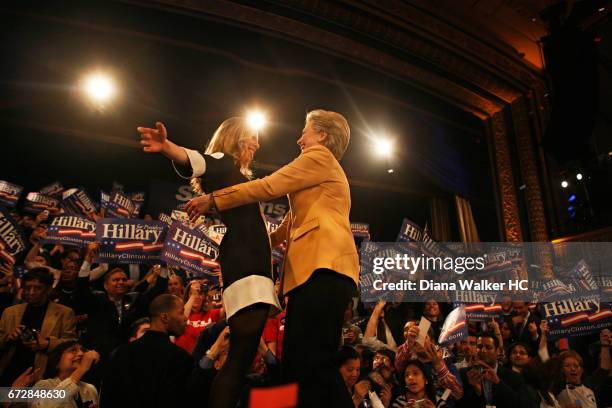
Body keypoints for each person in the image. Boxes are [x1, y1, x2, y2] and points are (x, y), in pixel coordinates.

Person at [183, 109, 360, 407]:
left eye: (305, 131)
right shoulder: (320, 176)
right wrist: (258, 241)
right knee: (300, 365)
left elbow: (269, 186)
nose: (299, 138)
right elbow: (291, 222)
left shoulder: (318, 157)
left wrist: (215, 198)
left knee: (313, 362)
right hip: (318, 273)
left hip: (322, 269)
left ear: (322, 136)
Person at [137, 117, 281, 408]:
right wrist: (167, 147)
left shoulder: (236, 175)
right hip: (246, 267)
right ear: (236, 138)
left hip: (249, 263)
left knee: (241, 357)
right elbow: (196, 159)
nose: (256, 144)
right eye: (250, 137)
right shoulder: (223, 161)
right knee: (239, 361)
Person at [101, 294, 200, 407]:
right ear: (165, 317)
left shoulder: (121, 353)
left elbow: (108, 398)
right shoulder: (179, 357)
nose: (186, 318)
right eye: (181, 312)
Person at [0, 268, 76, 386]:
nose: (31, 292)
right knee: (7, 402)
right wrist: (8, 338)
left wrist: (47, 344)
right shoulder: (10, 312)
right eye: (27, 288)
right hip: (10, 372)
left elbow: (71, 343)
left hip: (43, 375)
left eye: (37, 288)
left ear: (48, 289)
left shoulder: (64, 313)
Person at [32, 341, 100, 408]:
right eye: (73, 350)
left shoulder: (90, 389)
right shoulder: (43, 385)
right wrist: (81, 370)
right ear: (57, 362)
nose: (81, 354)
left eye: (82, 351)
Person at [175, 280, 224, 353]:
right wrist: (193, 296)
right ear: (187, 296)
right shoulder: (181, 313)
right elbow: (181, 320)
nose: (197, 296)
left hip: (203, 360)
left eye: (200, 293)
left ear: (204, 296)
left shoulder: (211, 314)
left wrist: (223, 284)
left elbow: (228, 309)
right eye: (192, 293)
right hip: (182, 358)